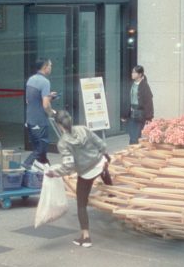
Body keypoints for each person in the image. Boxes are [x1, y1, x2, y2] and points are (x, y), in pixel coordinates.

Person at [44, 110, 108, 248]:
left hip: (86, 173)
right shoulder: (83, 129)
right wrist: (102, 156)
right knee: (103, 164)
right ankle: (110, 184)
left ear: (59, 125)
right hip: (99, 163)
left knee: (81, 204)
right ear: (71, 119)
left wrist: (54, 173)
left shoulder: (63, 143)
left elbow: (68, 167)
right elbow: (102, 145)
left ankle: (86, 237)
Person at [24, 58, 57, 169]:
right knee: (40, 150)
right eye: (50, 65)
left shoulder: (30, 79)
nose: (51, 68)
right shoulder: (45, 82)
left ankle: (47, 173)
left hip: (30, 120)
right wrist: (51, 112)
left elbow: (29, 100)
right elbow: (45, 105)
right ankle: (24, 168)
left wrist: (49, 95)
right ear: (45, 67)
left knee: (40, 152)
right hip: (40, 121)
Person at [120, 65, 154, 145]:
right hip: (131, 114)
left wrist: (149, 117)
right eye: (132, 72)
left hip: (140, 114)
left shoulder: (144, 85)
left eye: (134, 72)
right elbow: (127, 100)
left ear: (140, 74)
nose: (132, 74)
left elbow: (149, 102)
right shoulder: (131, 84)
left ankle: (133, 152)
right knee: (132, 136)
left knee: (135, 137)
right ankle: (133, 153)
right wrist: (124, 115)